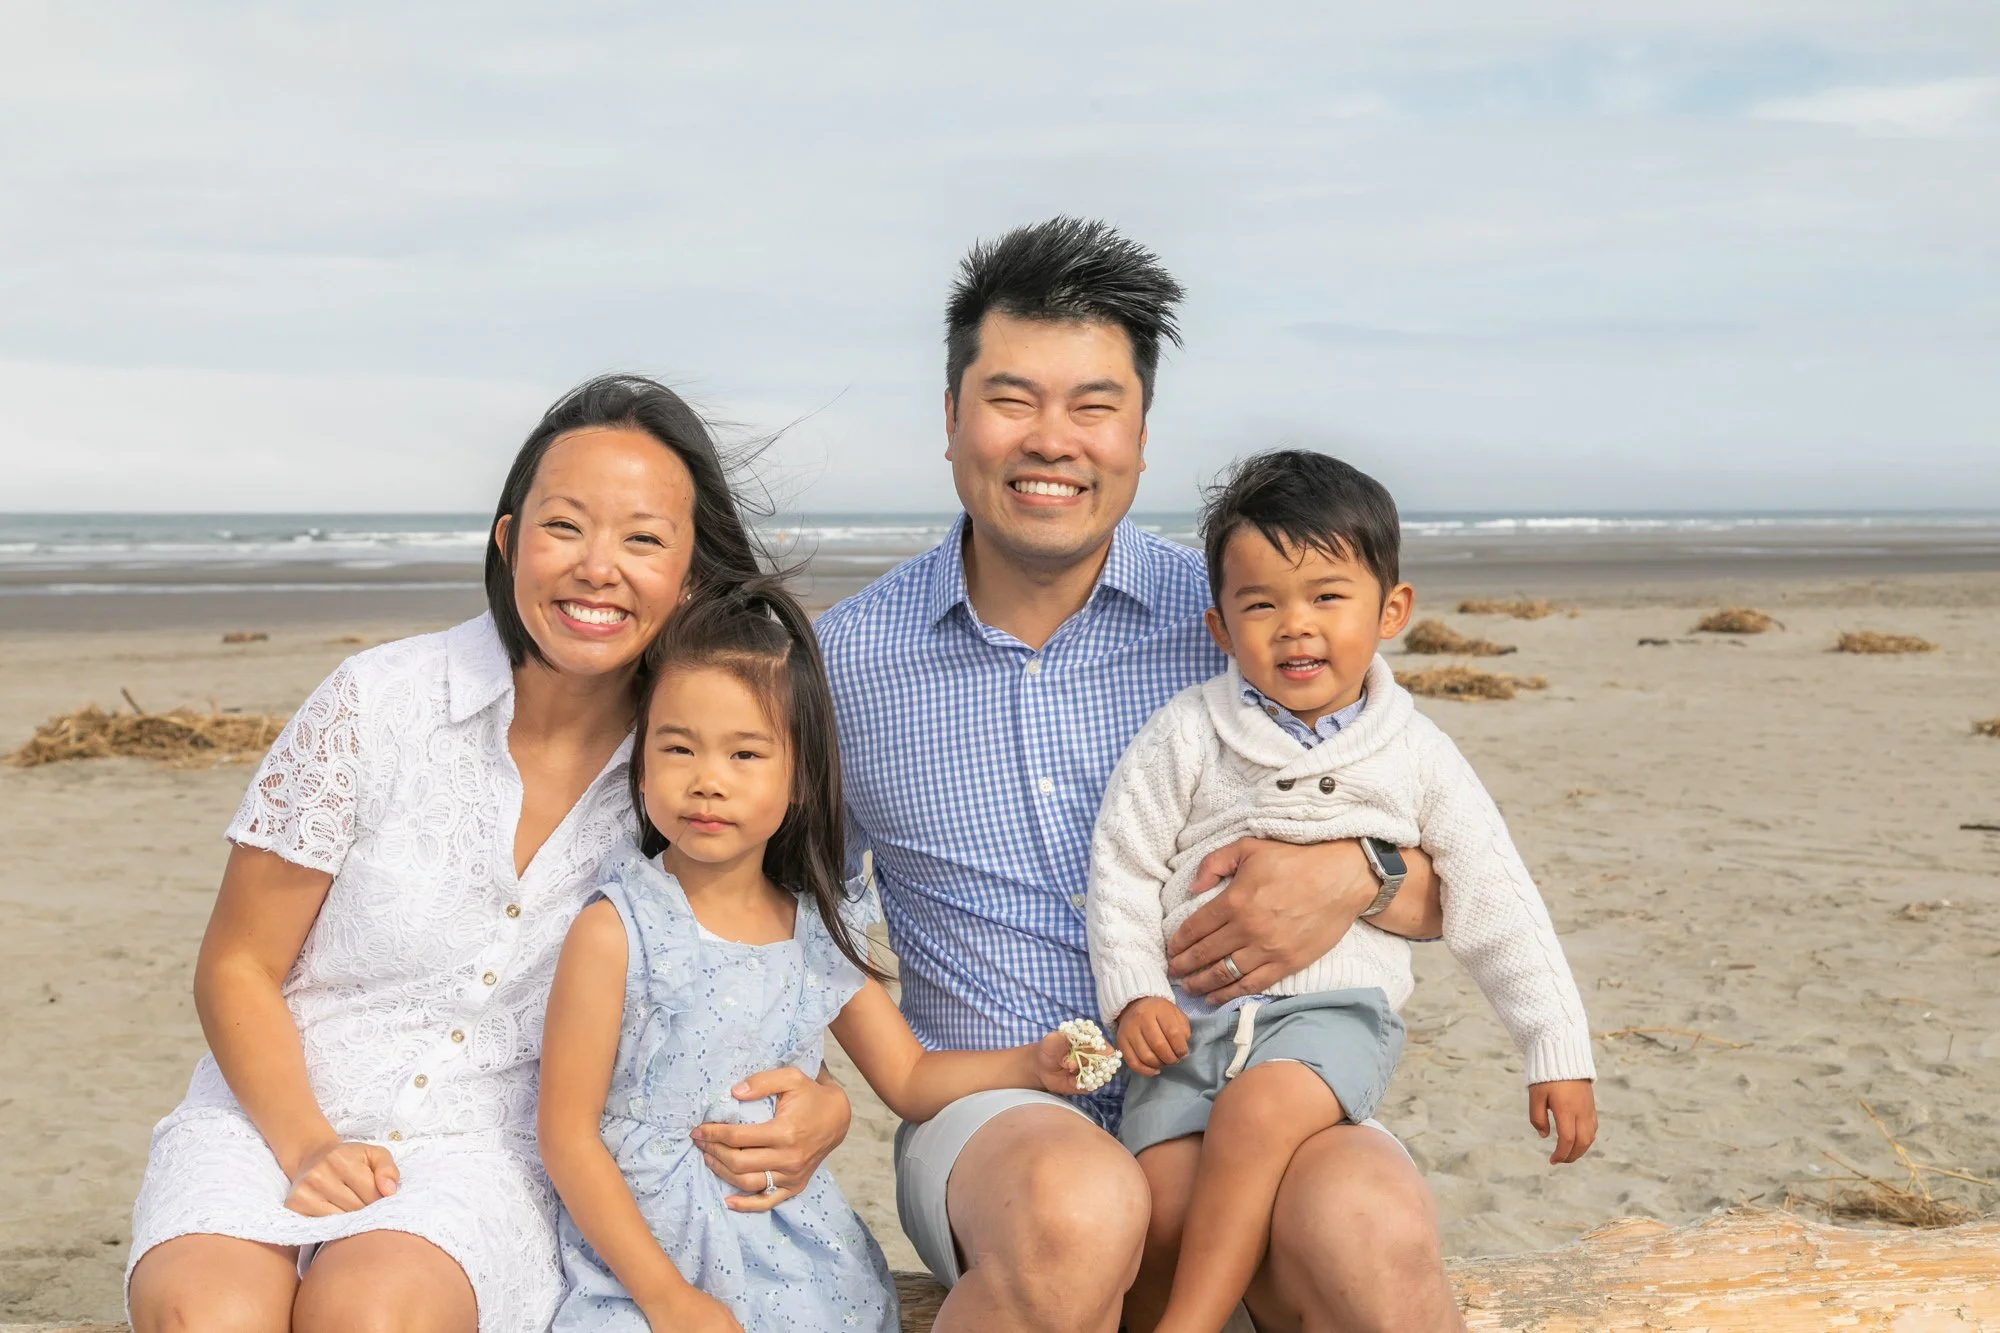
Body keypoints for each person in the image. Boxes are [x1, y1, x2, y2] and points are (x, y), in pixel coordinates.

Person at [816, 216, 1460, 1333]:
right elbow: (776, 906)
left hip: (1248, 1078)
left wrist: (1358, 869)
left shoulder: (1243, 617)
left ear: (1140, 434)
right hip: (998, 1119)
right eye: (1011, 398)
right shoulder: (844, 663)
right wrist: (852, 1084)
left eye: (1093, 405)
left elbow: (1455, 885)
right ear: (952, 420)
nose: (1051, 440)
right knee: (1079, 1204)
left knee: (1372, 1220)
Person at [125, 376, 852, 1333]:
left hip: (494, 1153)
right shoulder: (375, 702)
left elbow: (760, 960)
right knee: (203, 1315)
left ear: (690, 573)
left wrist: (828, 1105)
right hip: (272, 1114)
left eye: (643, 538)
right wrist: (306, 1144)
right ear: (509, 540)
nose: (599, 567)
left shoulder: (700, 772)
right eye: (565, 527)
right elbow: (237, 963)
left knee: (371, 1317)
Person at [1089, 450, 1599, 1333]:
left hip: (1334, 1018)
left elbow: (1495, 897)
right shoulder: (1187, 733)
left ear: (1391, 609)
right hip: (1191, 1027)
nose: (1296, 627)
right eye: (1261, 605)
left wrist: (1556, 1047)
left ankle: (1192, 1324)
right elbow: (1124, 867)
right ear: (1219, 627)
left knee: (1260, 1110)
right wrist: (1133, 990)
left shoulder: (1416, 752)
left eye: (1328, 596)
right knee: (1162, 1208)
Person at [537, 582, 1108, 1333]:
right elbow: (566, 1134)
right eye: (677, 747)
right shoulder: (619, 927)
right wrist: (667, 1298)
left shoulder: (813, 928)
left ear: (800, 777)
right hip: (643, 1256)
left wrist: (1027, 1065)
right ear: (640, 766)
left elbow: (906, 1076)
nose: (707, 778)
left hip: (787, 1246)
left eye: (745, 753)